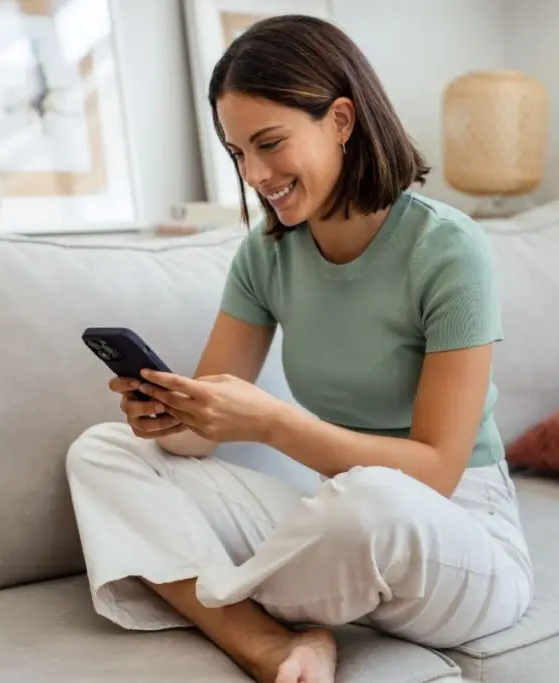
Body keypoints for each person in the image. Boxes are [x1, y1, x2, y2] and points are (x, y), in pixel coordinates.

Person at [65, 14, 534, 683]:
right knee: (103, 450)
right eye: (236, 153)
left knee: (375, 501)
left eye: (269, 143)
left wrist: (274, 423)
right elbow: (204, 432)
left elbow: (434, 472)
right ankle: (270, 640)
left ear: (340, 120)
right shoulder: (266, 253)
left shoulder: (449, 251)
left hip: (450, 534)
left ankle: (212, 591)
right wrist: (171, 419)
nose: (254, 173)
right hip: (336, 529)